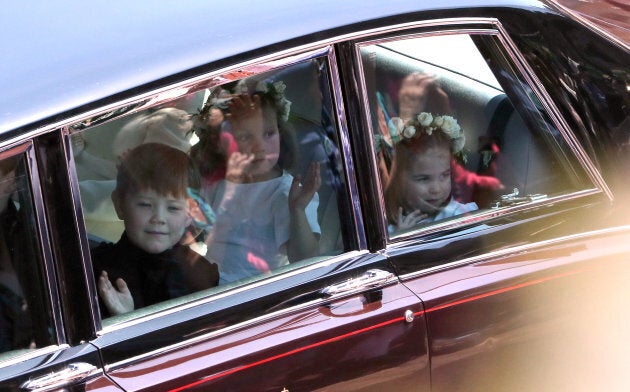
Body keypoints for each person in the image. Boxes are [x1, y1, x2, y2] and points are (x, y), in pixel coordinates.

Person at [203, 79, 321, 284]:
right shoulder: (217, 185)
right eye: (245, 136)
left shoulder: (287, 192)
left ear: (280, 133)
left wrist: (297, 210)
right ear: (220, 143)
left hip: (258, 294)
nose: (260, 148)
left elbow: (305, 260)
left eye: (268, 134)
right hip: (210, 286)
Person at [92, 143, 219, 317]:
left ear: (190, 213)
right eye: (145, 204)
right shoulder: (96, 272)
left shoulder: (201, 276)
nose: (158, 218)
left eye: (173, 208)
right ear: (119, 205)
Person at [384, 112, 478, 233]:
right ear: (399, 180)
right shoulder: (389, 225)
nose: (436, 189)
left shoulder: (458, 215)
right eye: (424, 179)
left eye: (444, 175)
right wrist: (400, 235)